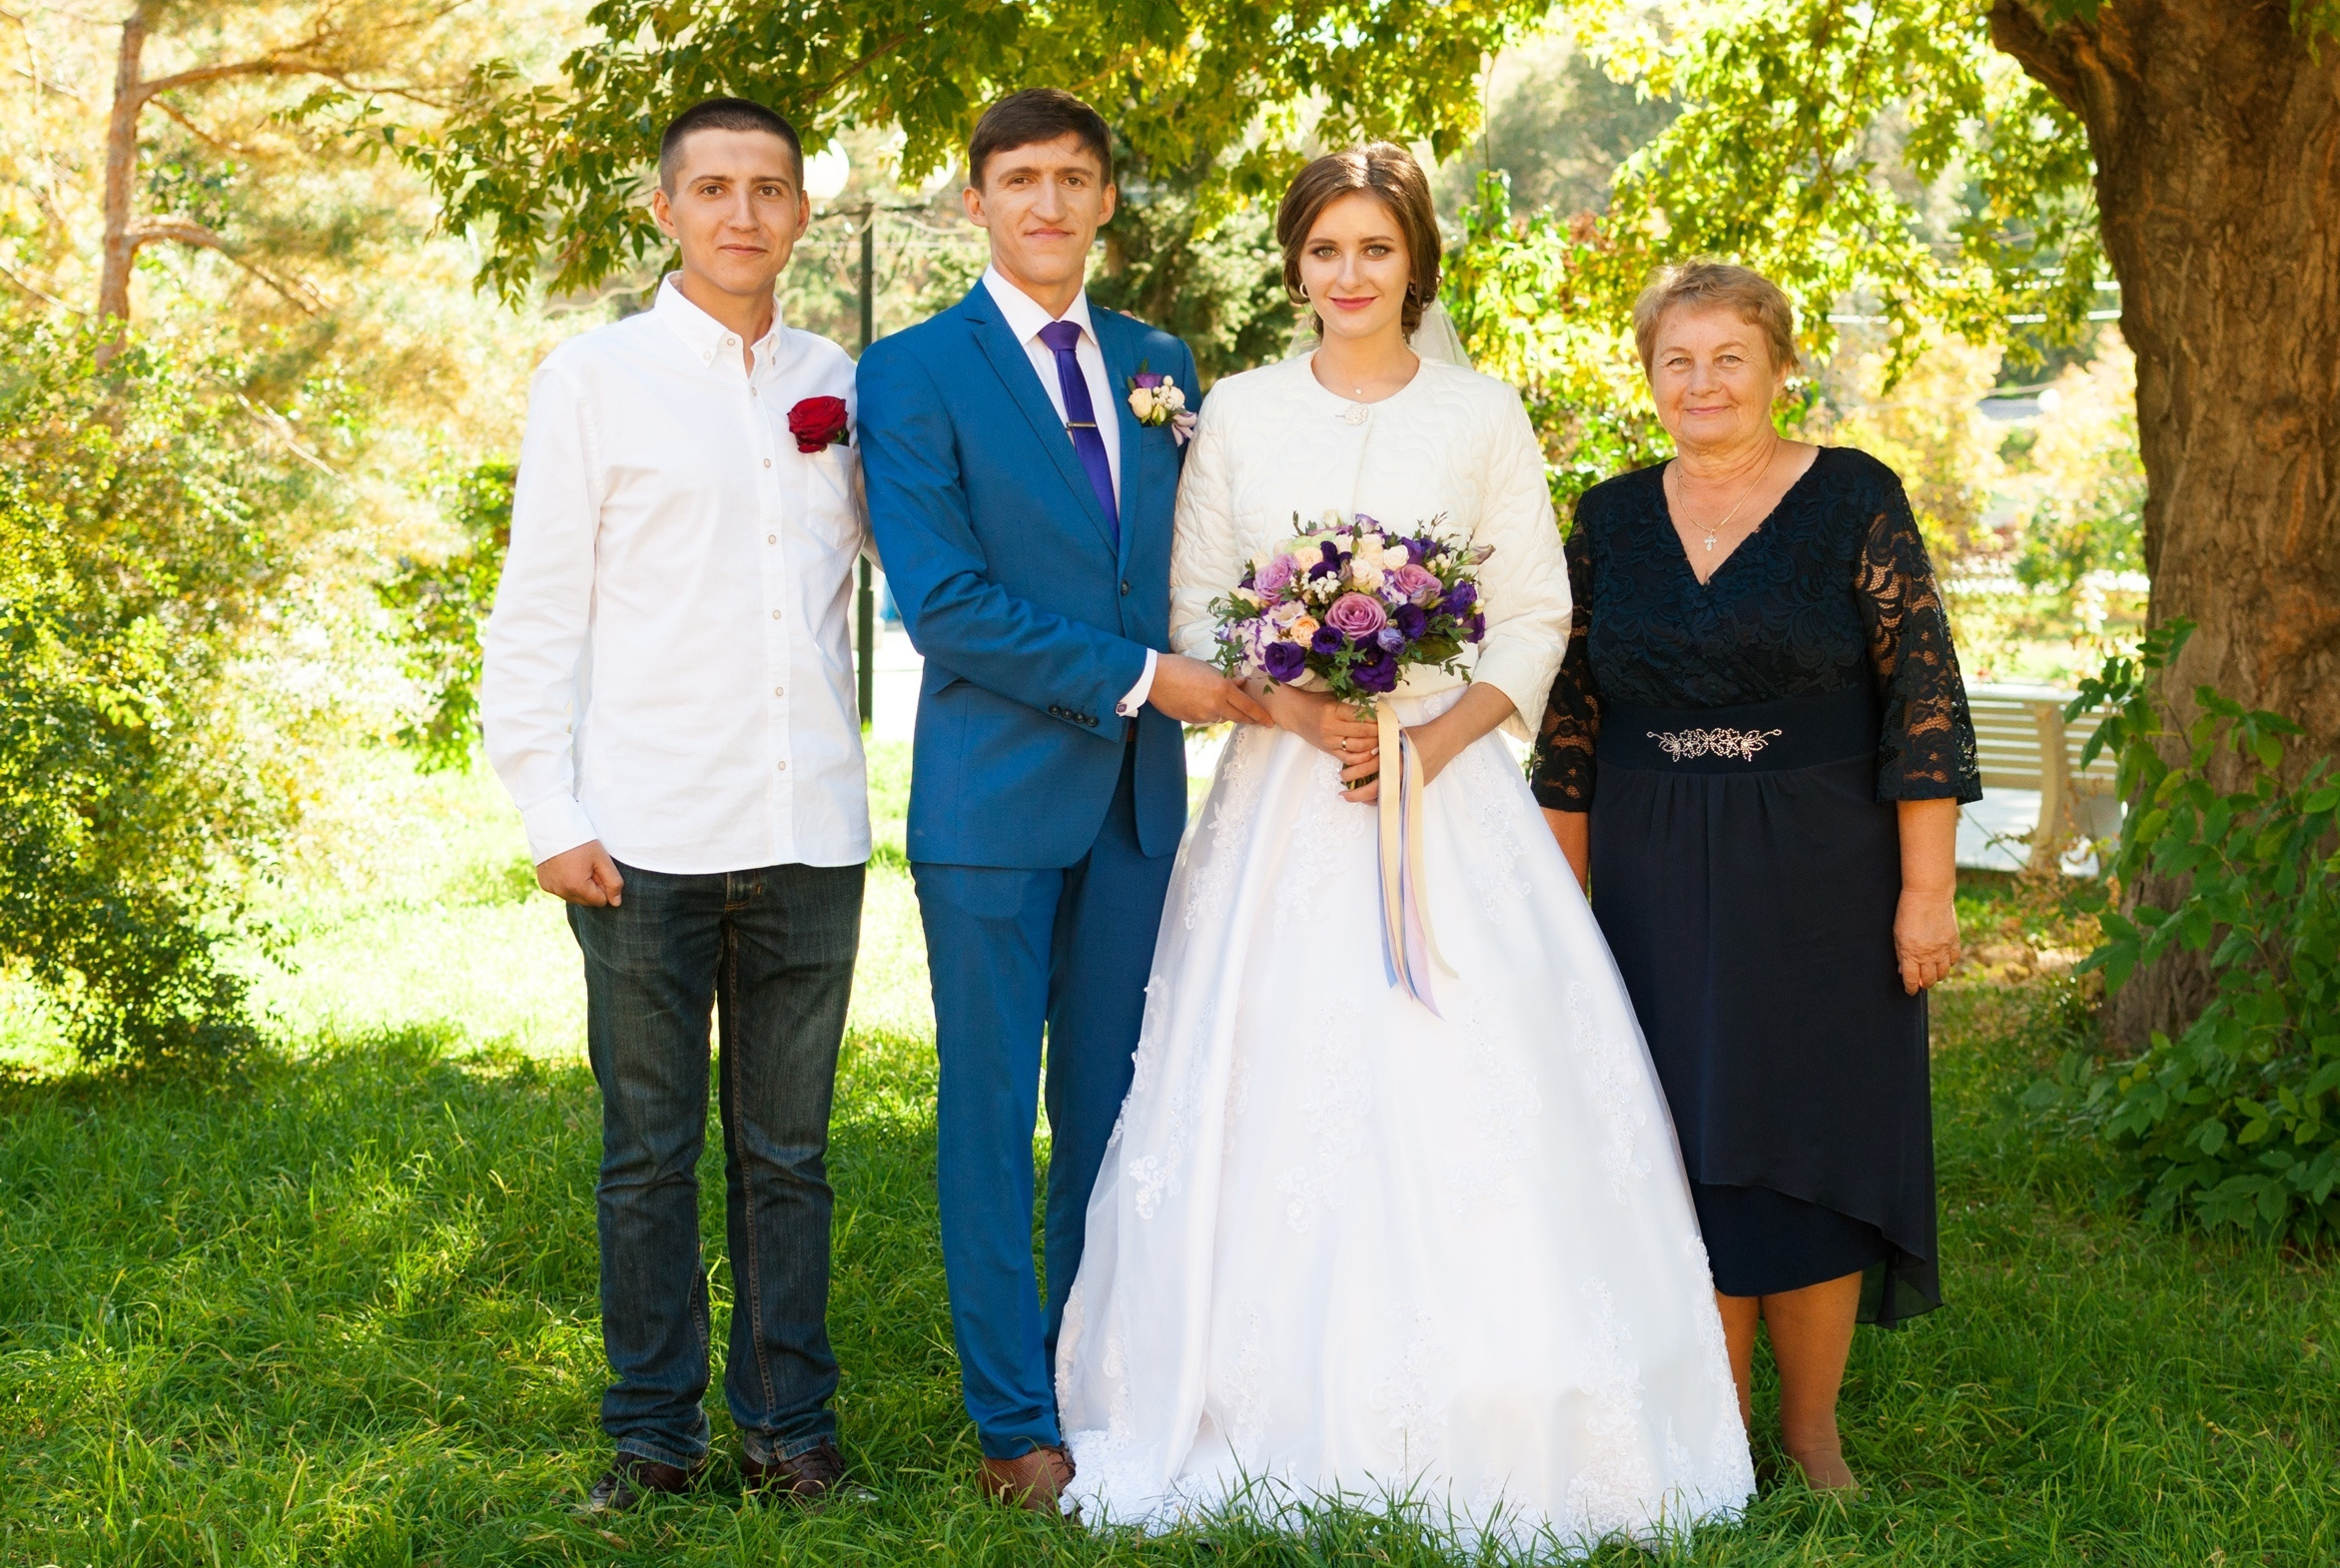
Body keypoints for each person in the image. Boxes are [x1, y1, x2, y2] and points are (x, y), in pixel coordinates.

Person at [1053, 145, 1754, 1552]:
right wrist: (1299, 705)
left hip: (1450, 793)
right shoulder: (1239, 414)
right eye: (1325, 251)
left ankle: (1514, 1404)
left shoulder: (1479, 411)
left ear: (1413, 259)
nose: (1350, 275)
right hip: (1281, 793)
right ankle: (1245, 1399)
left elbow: (1538, 614)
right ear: (1295, 265)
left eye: (1376, 249)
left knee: (1476, 1082)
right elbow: (1198, 605)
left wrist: (1429, 746)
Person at [856, 89, 1270, 1511]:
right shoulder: (910, 373)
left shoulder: (1162, 363)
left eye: (1074, 179)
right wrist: (1148, 676)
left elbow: (1203, 563)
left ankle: (1095, 1378)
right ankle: (1013, 1417)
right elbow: (948, 604)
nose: (1047, 202)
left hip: (1137, 813)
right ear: (975, 200)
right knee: (988, 1113)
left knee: (1110, 1110)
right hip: (990, 809)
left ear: (1105, 202)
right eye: (1019, 179)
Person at [481, 98, 873, 1508]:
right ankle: (653, 1438)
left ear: (800, 215)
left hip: (812, 830)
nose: (742, 214)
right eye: (713, 188)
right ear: (666, 210)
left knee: (791, 1155)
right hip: (639, 837)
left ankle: (790, 1431)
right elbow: (537, 612)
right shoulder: (595, 379)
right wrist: (549, 807)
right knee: (646, 1157)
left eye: (769, 188)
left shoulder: (845, 381)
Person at [1532, 261, 1979, 1492]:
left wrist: (1925, 890)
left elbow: (1925, 703)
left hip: (1825, 862)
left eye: (1730, 355)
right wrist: (1565, 919)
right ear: (1649, 380)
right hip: (1650, 865)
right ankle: (1713, 1430)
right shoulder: (1608, 518)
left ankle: (1811, 1430)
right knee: (1682, 1142)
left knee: (1816, 1130)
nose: (1703, 381)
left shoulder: (1855, 497)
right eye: (1677, 359)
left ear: (1782, 366)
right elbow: (1568, 728)